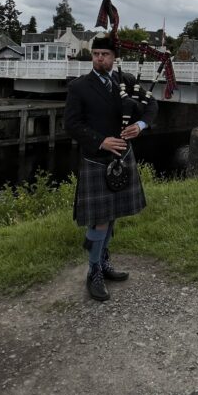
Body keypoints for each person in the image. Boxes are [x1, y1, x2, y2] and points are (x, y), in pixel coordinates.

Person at [63, 34, 158, 301]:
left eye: (105, 54)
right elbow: (71, 125)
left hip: (123, 157)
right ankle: (93, 270)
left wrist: (140, 126)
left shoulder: (125, 82)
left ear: (114, 58)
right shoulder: (80, 87)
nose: (99, 58)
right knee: (101, 219)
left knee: (111, 216)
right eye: (96, 54)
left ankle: (103, 261)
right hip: (97, 158)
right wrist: (101, 141)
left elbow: (152, 105)